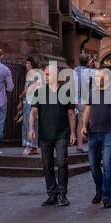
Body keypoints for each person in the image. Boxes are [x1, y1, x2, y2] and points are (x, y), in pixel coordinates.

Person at [29, 63, 76, 206]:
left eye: (48, 74)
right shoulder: (40, 92)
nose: (45, 77)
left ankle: (62, 194)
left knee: (62, 164)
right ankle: (52, 194)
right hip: (44, 134)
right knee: (47, 166)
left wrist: (73, 132)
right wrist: (31, 128)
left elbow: (71, 113)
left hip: (61, 134)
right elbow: (33, 112)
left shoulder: (65, 91)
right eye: (44, 74)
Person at [80, 68, 111, 209]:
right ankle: (99, 191)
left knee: (107, 166)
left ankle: (106, 196)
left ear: (106, 77)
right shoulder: (92, 91)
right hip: (93, 133)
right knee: (94, 166)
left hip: (108, 133)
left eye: (97, 76)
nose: (94, 78)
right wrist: (83, 126)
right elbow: (87, 110)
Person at [17, 55, 41, 156]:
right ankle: (34, 146)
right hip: (32, 100)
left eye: (27, 63)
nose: (26, 65)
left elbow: (29, 87)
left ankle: (28, 145)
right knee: (34, 124)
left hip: (31, 101)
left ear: (32, 64)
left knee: (28, 123)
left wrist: (21, 96)